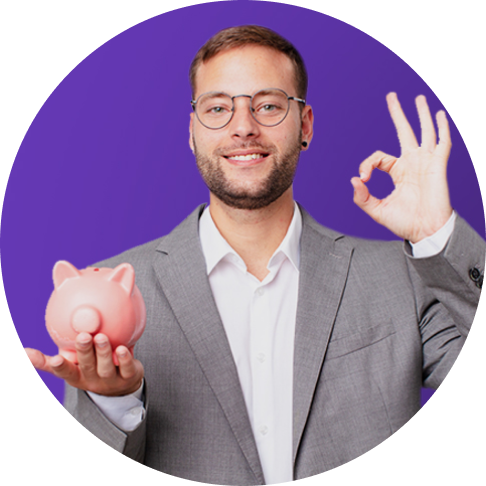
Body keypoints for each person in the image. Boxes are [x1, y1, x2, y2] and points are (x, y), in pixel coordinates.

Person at [25, 25, 485, 484]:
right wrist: (115, 401)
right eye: (218, 108)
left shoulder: (397, 278)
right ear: (192, 131)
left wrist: (438, 235)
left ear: (304, 126)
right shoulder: (123, 292)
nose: (243, 127)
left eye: (268, 105)